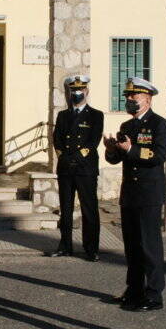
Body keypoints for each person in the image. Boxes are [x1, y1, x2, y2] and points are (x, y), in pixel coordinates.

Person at [103, 77, 166, 311]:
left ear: (148, 98)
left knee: (149, 246)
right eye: (128, 97)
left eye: (134, 96)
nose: (130, 100)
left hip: (149, 193)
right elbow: (117, 159)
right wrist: (112, 150)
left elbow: (158, 156)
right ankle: (133, 290)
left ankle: (153, 294)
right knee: (131, 246)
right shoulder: (127, 127)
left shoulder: (160, 125)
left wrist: (131, 149)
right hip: (130, 193)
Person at [48, 74, 103, 261]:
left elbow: (93, 141)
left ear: (87, 91)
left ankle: (91, 249)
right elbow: (57, 139)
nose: (76, 93)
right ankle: (65, 246)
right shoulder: (63, 115)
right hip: (66, 169)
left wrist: (77, 158)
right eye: (73, 90)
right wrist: (64, 158)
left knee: (89, 210)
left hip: (85, 169)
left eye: (80, 90)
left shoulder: (96, 115)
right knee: (66, 209)